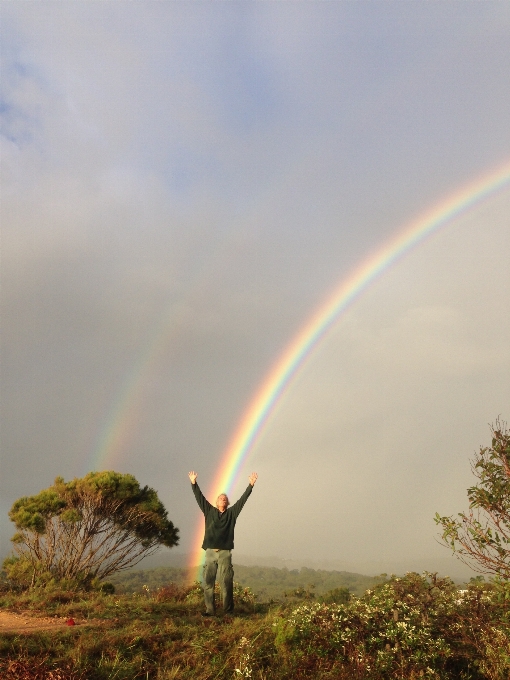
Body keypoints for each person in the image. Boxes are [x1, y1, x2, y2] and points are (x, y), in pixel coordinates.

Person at [188, 470, 258, 616]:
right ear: (216, 502)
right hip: (210, 552)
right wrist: (193, 483)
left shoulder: (232, 513)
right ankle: (210, 610)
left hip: (225, 552)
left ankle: (228, 612)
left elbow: (242, 500)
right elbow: (199, 498)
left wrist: (250, 485)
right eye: (220, 498)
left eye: (225, 499)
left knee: (226, 583)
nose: (223, 500)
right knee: (208, 583)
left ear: (227, 503)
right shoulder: (209, 511)